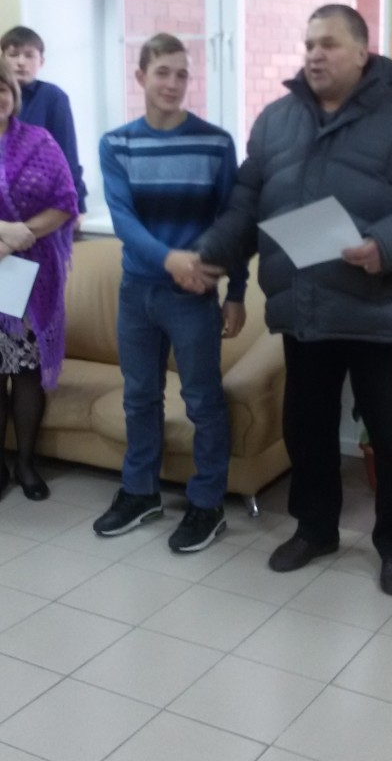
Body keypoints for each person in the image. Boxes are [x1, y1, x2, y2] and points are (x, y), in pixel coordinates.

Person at [186, 4, 392, 595]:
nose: (315, 55)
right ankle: (315, 529)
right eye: (309, 44)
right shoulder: (277, 120)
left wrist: (385, 244)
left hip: (378, 306)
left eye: (329, 44)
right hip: (304, 307)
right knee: (307, 429)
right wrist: (214, 252)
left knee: (390, 436)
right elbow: (247, 201)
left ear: (362, 51)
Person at [93, 32, 247, 553]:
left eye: (182, 74)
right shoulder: (116, 144)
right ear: (141, 77)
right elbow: (123, 220)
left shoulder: (215, 143)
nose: (173, 83)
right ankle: (141, 493)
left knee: (203, 401)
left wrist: (236, 291)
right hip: (137, 291)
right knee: (140, 397)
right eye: (162, 72)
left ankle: (207, 504)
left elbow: (232, 222)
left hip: (194, 296)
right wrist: (170, 259)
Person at [0, 59, 78, 501]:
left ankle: (26, 464)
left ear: (13, 93)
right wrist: (2, 233)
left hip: (31, 278)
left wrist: (18, 236)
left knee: (26, 372)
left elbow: (65, 203)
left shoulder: (39, 141)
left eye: (2, 87)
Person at [0, 26, 88, 219]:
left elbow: (67, 152)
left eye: (29, 55)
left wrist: (78, 204)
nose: (21, 62)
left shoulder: (53, 97)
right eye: (13, 55)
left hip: (41, 204)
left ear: (41, 61)